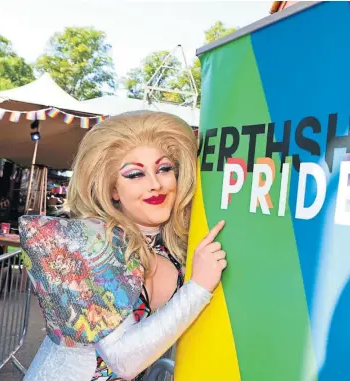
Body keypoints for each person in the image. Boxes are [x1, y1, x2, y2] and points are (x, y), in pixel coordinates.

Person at [18, 111, 227, 381]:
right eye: (135, 174)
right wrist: (198, 287)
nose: (155, 184)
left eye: (164, 169)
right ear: (113, 188)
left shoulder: (174, 249)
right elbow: (123, 360)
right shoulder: (91, 242)